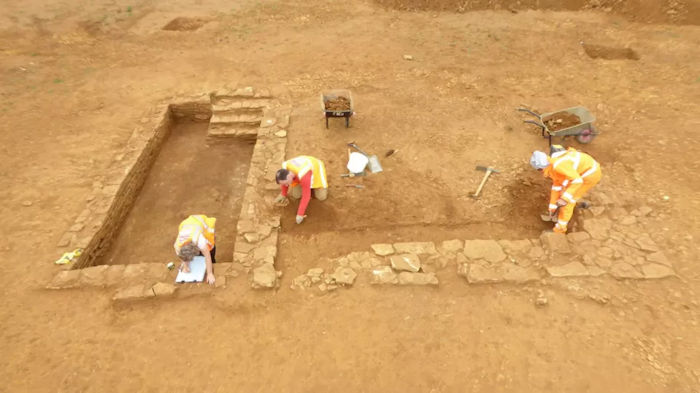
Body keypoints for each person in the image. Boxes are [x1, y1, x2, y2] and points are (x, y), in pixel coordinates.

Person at [530, 145, 602, 233]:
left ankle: (560, 230)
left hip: (589, 175)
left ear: (540, 168)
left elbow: (577, 180)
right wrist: (552, 207)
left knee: (568, 203)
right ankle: (561, 212)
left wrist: (565, 198)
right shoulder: (552, 165)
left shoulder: (558, 166)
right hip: (579, 173)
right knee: (565, 193)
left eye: (538, 170)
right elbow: (556, 187)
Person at [274, 155, 328, 224]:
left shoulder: (304, 174)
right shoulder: (285, 168)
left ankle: (314, 188)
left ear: (289, 176)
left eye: (286, 183)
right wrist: (283, 194)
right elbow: (283, 182)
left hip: (316, 171)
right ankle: (306, 186)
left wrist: (300, 214)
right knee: (296, 195)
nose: (287, 185)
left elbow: (306, 196)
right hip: (299, 176)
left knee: (321, 197)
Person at [173, 214, 216, 285]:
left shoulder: (200, 241)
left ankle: (213, 264)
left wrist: (210, 274)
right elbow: (182, 257)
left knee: (210, 249)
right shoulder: (177, 246)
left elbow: (207, 256)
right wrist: (185, 266)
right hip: (189, 224)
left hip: (202, 224)